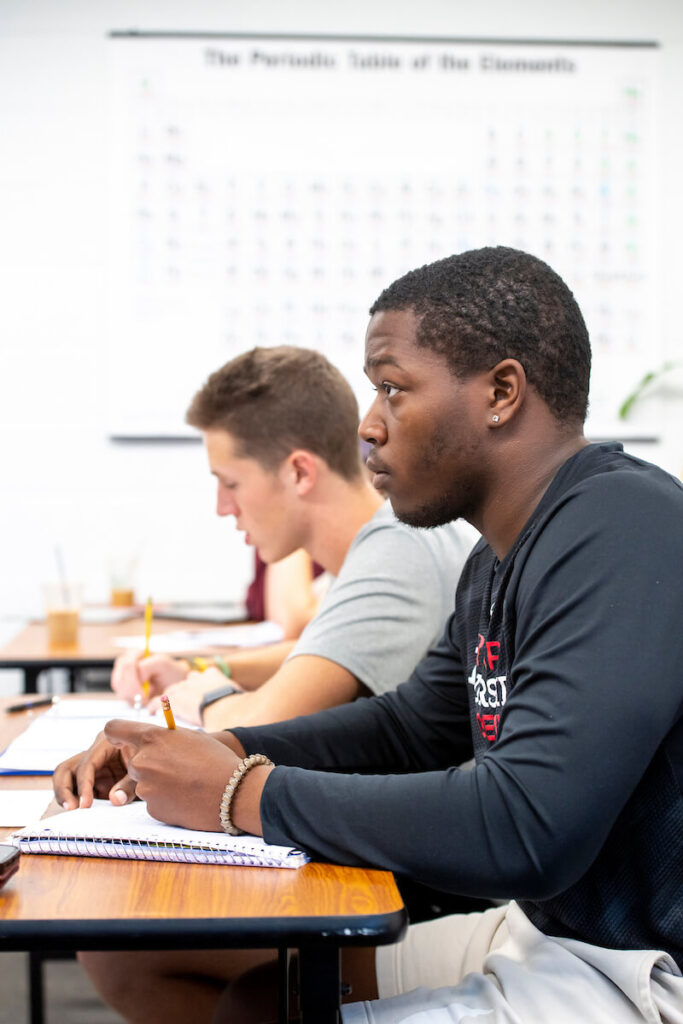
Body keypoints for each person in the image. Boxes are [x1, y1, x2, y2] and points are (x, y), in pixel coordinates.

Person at [59, 247, 683, 1024]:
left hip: (638, 973)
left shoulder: (621, 525)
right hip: (552, 933)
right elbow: (409, 728)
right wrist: (230, 749)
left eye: (391, 388)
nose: (368, 425)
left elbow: (526, 827)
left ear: (500, 392)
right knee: (262, 998)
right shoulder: (493, 565)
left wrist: (240, 793)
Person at [108, 346, 472, 731]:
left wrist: (208, 698)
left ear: (299, 473)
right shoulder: (380, 542)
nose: (222, 507)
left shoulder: (398, 555)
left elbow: (261, 723)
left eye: (231, 483)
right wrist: (198, 670)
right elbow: (320, 655)